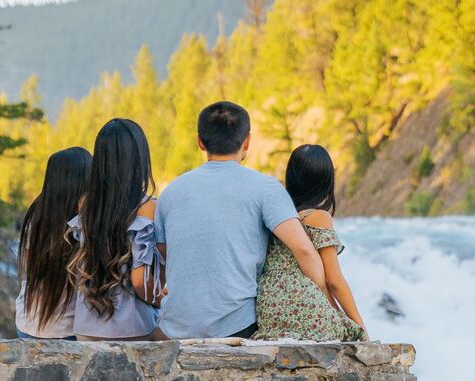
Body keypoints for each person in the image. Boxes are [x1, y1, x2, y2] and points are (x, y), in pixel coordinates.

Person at [155, 101, 325, 339]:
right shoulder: (265, 188)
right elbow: (304, 251)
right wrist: (325, 300)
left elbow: (164, 257)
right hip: (237, 326)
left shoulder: (170, 193)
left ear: (200, 142)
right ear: (247, 141)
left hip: (175, 327)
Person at [255, 145, 366, 342]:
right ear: (326, 181)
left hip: (268, 309)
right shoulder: (318, 217)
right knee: (351, 332)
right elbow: (334, 280)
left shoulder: (278, 219)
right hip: (307, 304)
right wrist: (360, 325)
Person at [68, 119, 163, 340]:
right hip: (132, 329)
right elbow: (140, 282)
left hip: (86, 329)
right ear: (140, 159)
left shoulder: (86, 205)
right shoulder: (148, 208)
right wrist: (162, 301)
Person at [14, 146, 90, 339]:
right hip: (67, 330)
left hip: (27, 322)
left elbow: (27, 265)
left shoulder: (37, 214)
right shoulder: (84, 223)